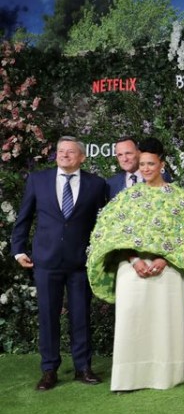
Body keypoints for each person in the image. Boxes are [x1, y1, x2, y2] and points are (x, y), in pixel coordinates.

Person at [87, 137, 184, 391]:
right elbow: (109, 234)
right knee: (131, 323)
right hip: (132, 270)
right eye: (142, 164)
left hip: (168, 271)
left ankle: (164, 377)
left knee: (164, 325)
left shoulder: (181, 198)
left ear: (161, 164)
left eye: (150, 164)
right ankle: (127, 379)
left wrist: (164, 259)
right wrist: (134, 259)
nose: (145, 168)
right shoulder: (127, 198)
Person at [11, 135, 108, 391]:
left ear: (82, 157)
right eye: (61, 151)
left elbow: (105, 224)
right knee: (48, 316)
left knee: (80, 316)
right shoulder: (38, 180)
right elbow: (24, 217)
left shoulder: (96, 185)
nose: (64, 155)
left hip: (79, 262)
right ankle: (49, 370)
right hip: (45, 261)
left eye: (71, 152)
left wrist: (100, 253)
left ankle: (83, 367)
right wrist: (18, 250)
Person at [106, 135, 171, 199]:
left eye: (128, 153)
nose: (124, 159)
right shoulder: (111, 184)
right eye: (120, 155)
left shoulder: (160, 177)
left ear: (139, 153)